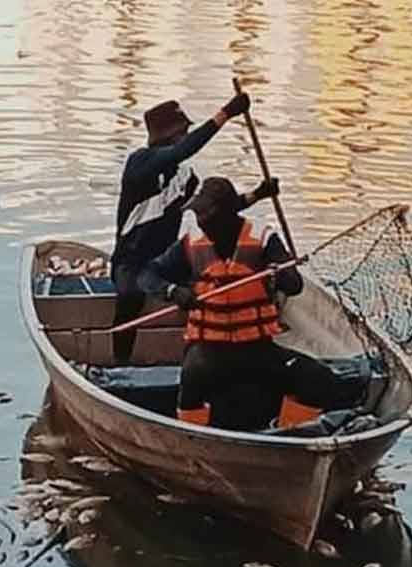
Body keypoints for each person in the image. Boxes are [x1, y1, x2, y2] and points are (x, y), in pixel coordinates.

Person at [138, 176, 347, 429]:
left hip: (256, 349)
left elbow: (294, 285)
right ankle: (195, 439)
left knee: (318, 379)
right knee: (191, 382)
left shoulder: (263, 238)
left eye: (205, 214)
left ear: (226, 213)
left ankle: (291, 435)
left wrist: (281, 271)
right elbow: (147, 276)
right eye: (198, 213)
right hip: (208, 351)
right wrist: (172, 291)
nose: (200, 221)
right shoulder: (190, 243)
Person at [111, 94, 278, 363]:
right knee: (130, 297)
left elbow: (216, 209)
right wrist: (226, 113)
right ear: (170, 135)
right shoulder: (139, 163)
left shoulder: (186, 178)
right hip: (132, 260)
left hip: (166, 261)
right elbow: (184, 149)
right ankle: (120, 365)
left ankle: (206, 355)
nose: (186, 135)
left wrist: (257, 195)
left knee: (210, 291)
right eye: (183, 132)